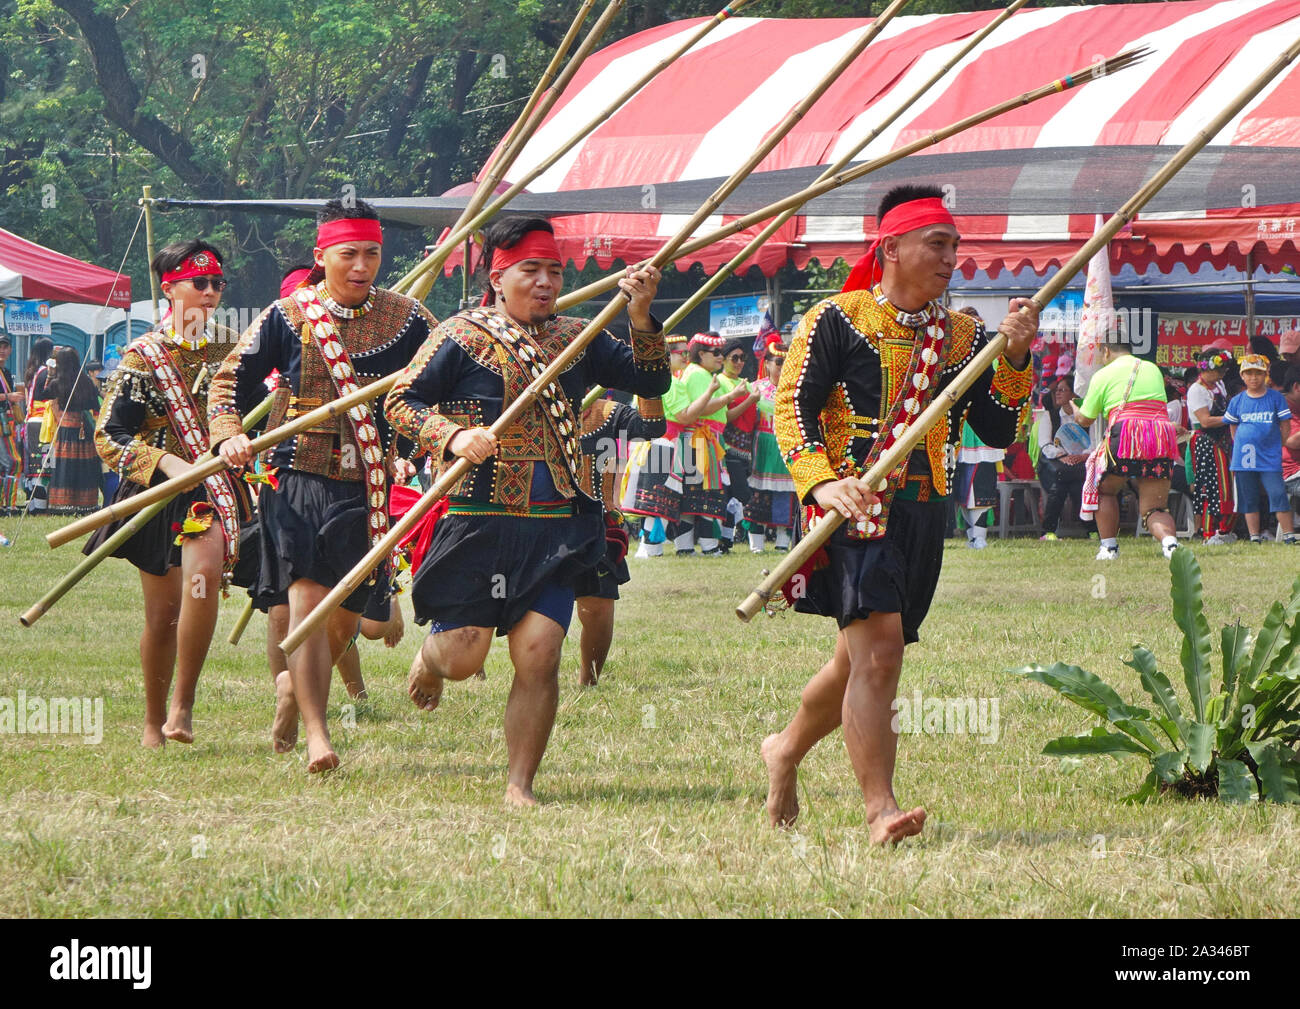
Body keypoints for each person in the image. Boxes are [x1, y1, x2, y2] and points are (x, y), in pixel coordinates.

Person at [762, 184, 1037, 844]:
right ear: (890, 248)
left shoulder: (967, 335)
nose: (950, 259)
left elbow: (999, 431)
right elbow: (791, 405)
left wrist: (1017, 358)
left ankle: (784, 749)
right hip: (855, 509)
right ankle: (880, 809)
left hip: (923, 513)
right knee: (881, 657)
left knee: (855, 662)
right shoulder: (838, 317)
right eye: (936, 245)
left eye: (954, 247)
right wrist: (821, 482)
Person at [386, 216, 669, 805]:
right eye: (530, 271)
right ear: (498, 277)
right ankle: (431, 659)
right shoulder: (461, 336)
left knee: (539, 655)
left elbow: (651, 378)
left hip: (556, 527)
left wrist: (640, 316)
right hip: (478, 521)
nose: (544, 282)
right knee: (464, 655)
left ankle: (520, 784)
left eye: (554, 271)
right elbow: (400, 402)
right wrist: (452, 435)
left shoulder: (578, 334)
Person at [212, 199, 438, 773]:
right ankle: (319, 734)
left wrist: (426, 445)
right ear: (322, 257)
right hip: (297, 480)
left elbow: (446, 383)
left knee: (343, 619)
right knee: (307, 604)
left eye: (371, 254)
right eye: (348, 254)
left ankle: (294, 689)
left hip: (368, 488)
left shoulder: (411, 319)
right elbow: (227, 380)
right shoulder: (288, 315)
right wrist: (229, 435)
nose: (361, 265)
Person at [87, 239, 251, 747]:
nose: (209, 293)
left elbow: (267, 405)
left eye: (216, 285)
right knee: (162, 615)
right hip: (158, 493)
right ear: (170, 288)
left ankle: (184, 705)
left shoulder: (235, 348)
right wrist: (169, 462)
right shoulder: (142, 357)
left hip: (216, 491)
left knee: (202, 576)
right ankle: (152, 719)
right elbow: (109, 436)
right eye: (197, 284)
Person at [574, 390, 666, 685]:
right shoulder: (525, 406)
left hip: (595, 522)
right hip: (535, 519)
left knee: (598, 604)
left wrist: (648, 359)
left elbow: (651, 427)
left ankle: (588, 680)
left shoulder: (609, 413)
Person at [1073, 322, 1181, 560]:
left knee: (1105, 490)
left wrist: (1074, 410)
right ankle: (1170, 544)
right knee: (1155, 507)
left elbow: (1085, 419)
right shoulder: (1152, 368)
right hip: (1159, 436)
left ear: (1106, 350)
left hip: (1126, 434)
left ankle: (1109, 547)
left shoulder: (1103, 374)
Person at [621, 333, 733, 556]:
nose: (685, 356)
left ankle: (651, 547)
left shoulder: (647, 379)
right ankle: (650, 548)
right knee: (661, 498)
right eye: (680, 352)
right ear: (665, 356)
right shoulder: (671, 382)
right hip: (666, 444)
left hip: (650, 442)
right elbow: (685, 417)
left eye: (685, 351)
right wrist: (710, 392)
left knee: (656, 497)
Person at [1224, 353, 1295, 544]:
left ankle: (1289, 535)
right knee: (1249, 497)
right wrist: (1238, 442)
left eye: (1258, 373)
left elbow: (1285, 424)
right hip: (1244, 458)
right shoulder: (1237, 401)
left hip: (1269, 457)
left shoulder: (1275, 398)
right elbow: (1233, 426)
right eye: (1249, 373)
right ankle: (1254, 536)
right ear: (1242, 376)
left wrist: (1279, 443)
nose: (1253, 377)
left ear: (1266, 375)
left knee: (1277, 493)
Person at [744, 343, 798, 552]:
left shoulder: (796, 389)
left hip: (785, 452)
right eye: (778, 362)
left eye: (786, 362)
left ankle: (782, 543)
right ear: (767, 363)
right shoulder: (755, 388)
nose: (783, 367)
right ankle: (756, 544)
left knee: (786, 498)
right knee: (757, 495)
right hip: (762, 452)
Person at [1187, 348, 1236, 543]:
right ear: (1206, 369)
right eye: (1220, 370)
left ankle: (1224, 530)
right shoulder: (1196, 390)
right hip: (1206, 442)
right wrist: (1231, 418)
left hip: (1223, 440)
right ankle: (1208, 533)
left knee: (1227, 486)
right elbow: (1205, 421)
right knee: (1210, 487)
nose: (1222, 374)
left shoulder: (1219, 385)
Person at [1035, 375, 1093, 540]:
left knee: (1074, 485)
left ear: (1073, 395)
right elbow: (1045, 444)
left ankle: (1049, 531)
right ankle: (1090, 529)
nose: (1058, 394)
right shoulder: (1049, 416)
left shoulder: (1086, 418)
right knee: (1061, 481)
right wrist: (1062, 456)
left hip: (1079, 463)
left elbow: (1093, 443)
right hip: (1053, 464)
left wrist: (1081, 457)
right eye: (1056, 391)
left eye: (1062, 390)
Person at [45, 346, 101, 513]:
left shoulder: (57, 383)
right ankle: (86, 502)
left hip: (65, 428)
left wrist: (49, 374)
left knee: (65, 465)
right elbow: (94, 405)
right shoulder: (85, 382)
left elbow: (42, 395)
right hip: (83, 426)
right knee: (84, 465)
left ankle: (63, 502)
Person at [718, 339, 759, 552]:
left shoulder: (746, 383)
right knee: (736, 494)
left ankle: (726, 540)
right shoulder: (721, 383)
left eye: (743, 358)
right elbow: (726, 416)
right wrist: (750, 400)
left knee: (736, 495)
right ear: (723, 359)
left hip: (745, 449)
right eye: (734, 358)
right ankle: (723, 538)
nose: (739, 362)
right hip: (728, 447)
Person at [23, 336, 55, 512]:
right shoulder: (46, 372)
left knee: (34, 465)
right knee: (45, 465)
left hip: (31, 422)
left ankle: (32, 505)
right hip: (44, 423)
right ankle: (40, 507)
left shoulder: (31, 371)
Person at [0, 335, 23, 511]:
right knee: (14, 462)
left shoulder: (6, 371)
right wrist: (10, 396)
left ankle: (5, 504)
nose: (2, 350)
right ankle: (9, 504)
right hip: (2, 423)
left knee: (5, 464)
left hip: (7, 421)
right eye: (0, 346)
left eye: (5, 346)